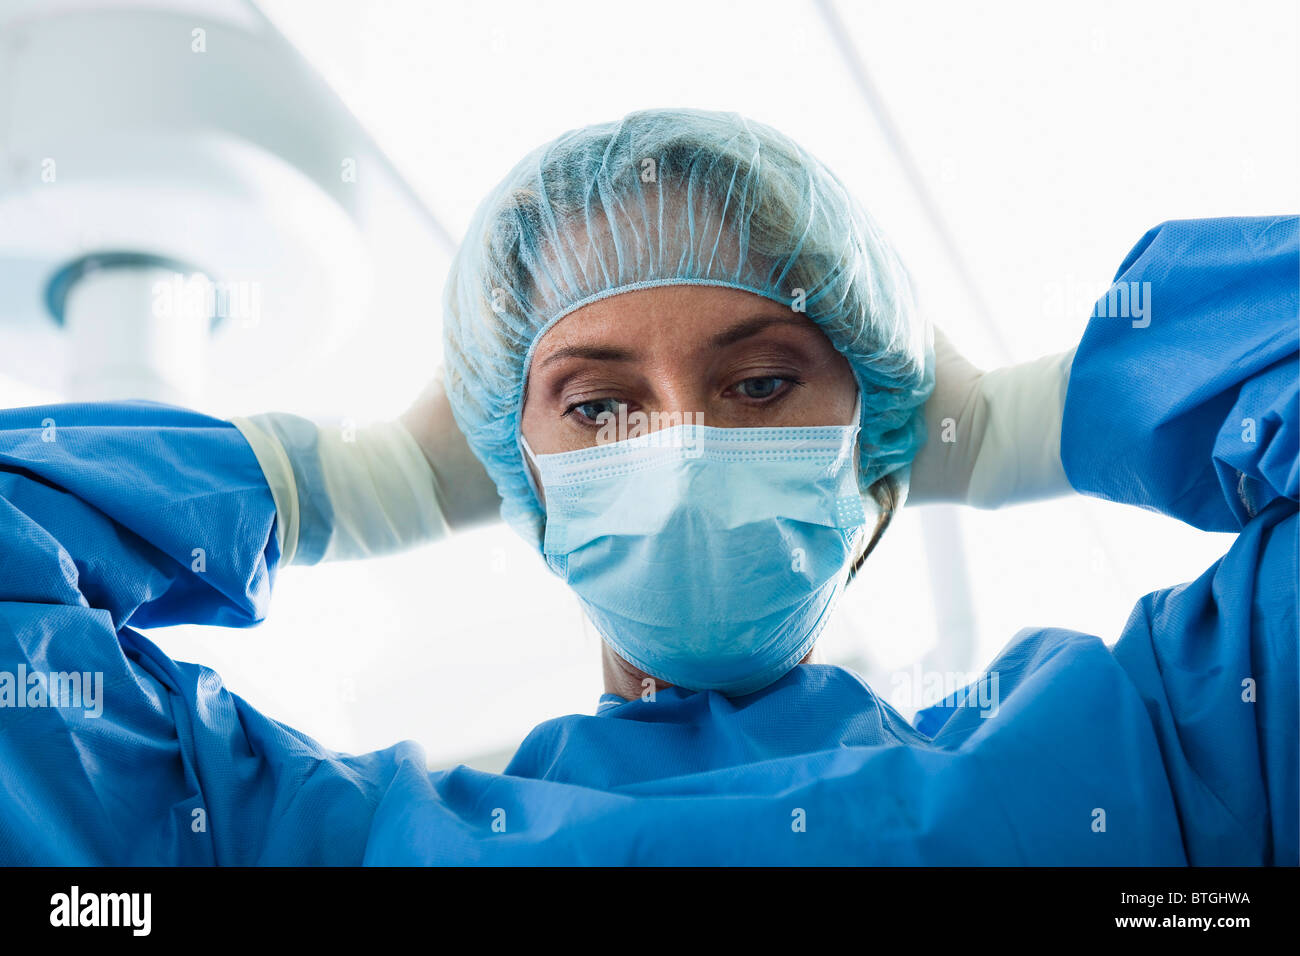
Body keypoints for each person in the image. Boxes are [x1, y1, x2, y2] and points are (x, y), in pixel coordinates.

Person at [0, 109, 1294, 864]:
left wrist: (1015, 423)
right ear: (517, 470)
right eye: (599, 404)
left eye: (760, 384)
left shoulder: (1152, 760)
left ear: (877, 432)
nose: (677, 454)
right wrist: (357, 479)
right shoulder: (321, 842)